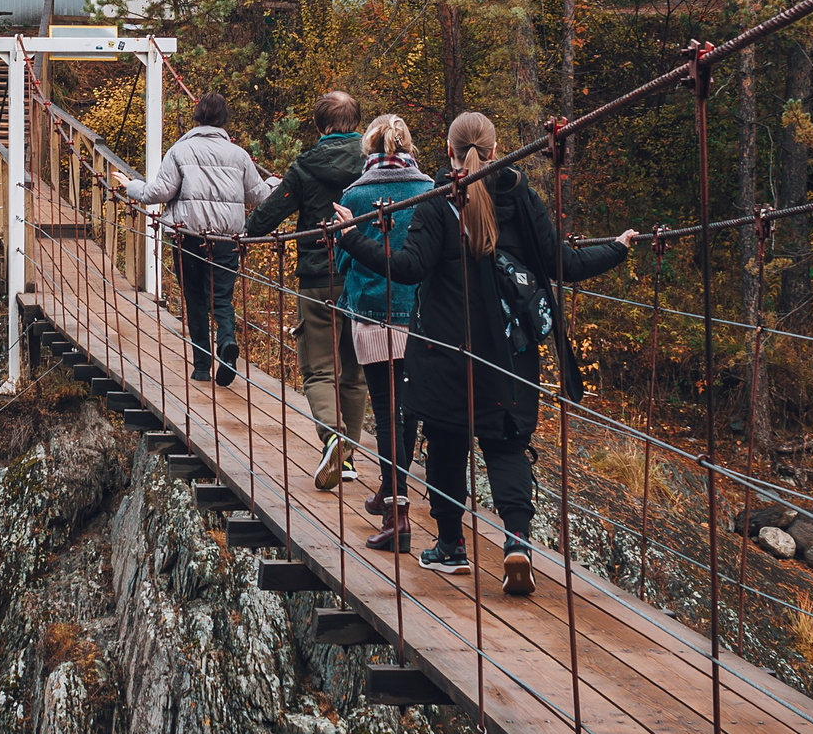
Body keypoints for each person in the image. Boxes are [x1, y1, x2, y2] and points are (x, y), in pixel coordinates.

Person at [334, 111, 635, 596]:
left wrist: (353, 237)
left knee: (447, 442)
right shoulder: (522, 197)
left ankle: (451, 548)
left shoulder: (437, 203)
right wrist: (617, 248)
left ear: (448, 151)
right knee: (507, 446)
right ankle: (517, 543)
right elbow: (563, 264)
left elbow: (407, 268)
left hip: (443, 353)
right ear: (496, 151)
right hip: (509, 357)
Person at [243, 90, 371, 482]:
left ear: (319, 126)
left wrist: (243, 238)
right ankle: (346, 459)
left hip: (318, 279)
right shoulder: (372, 163)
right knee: (355, 372)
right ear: (356, 122)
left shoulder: (305, 167)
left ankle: (333, 438)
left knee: (319, 370)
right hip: (362, 274)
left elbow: (267, 215)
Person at [121, 92, 275, 383]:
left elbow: (159, 193)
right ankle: (226, 341)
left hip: (188, 236)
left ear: (196, 117)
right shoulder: (238, 154)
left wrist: (133, 187)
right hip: (227, 238)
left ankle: (202, 366)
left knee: (194, 299)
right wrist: (277, 182)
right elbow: (259, 196)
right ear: (224, 119)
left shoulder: (180, 151)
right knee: (221, 298)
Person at [334, 114, 433, 540]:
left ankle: (397, 514)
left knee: (384, 410)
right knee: (406, 408)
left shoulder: (353, 196)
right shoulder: (432, 191)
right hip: (418, 314)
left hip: (372, 312)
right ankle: (391, 490)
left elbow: (344, 260)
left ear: (369, 150)